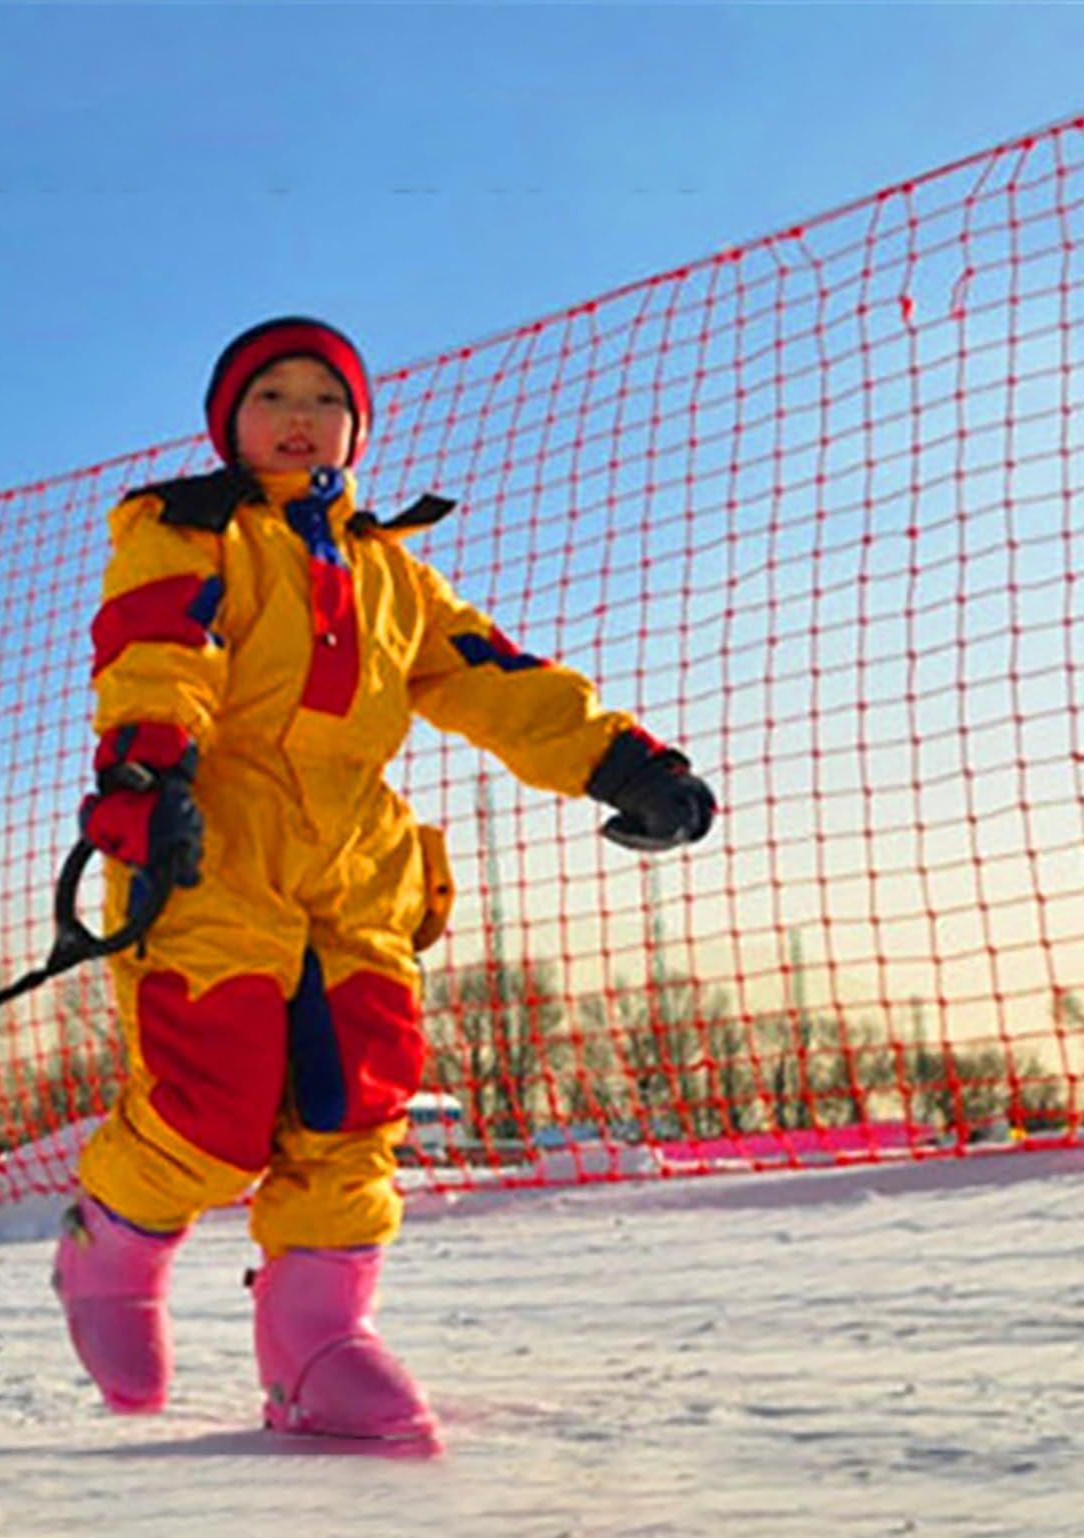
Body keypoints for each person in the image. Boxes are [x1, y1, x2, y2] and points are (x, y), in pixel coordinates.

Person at [55, 316, 716, 1452]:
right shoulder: (188, 528)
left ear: (355, 425)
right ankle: (108, 1257)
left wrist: (620, 760)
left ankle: (316, 1345)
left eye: (325, 398)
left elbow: (495, 679)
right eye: (272, 397)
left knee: (351, 1100)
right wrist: (145, 770)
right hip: (214, 837)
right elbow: (158, 643)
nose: (299, 416)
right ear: (229, 424)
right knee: (215, 1095)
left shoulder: (390, 568)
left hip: (359, 857)